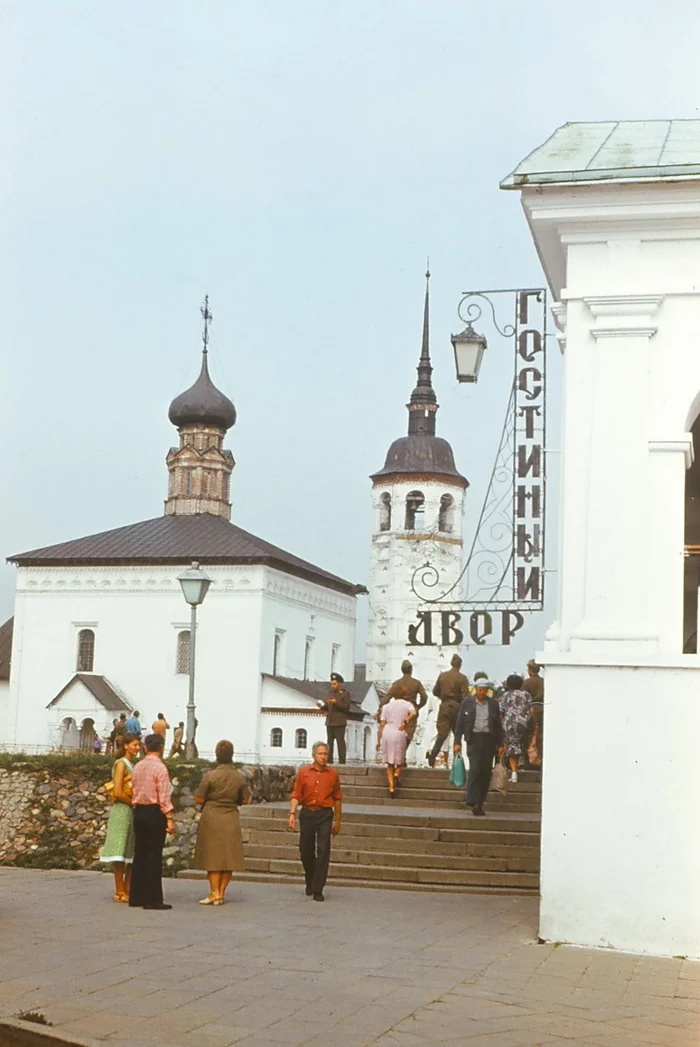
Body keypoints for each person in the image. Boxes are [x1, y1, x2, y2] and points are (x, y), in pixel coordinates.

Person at [193, 739, 251, 905]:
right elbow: (245, 799)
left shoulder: (209, 776)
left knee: (212, 856)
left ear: (217, 755)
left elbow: (199, 797)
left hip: (211, 816)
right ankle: (221, 893)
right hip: (231, 816)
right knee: (228, 856)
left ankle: (213, 891)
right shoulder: (239, 777)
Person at [287, 742, 342, 901]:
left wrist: (338, 821)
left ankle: (318, 887)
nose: (323, 757)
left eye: (325, 754)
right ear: (313, 755)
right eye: (320, 754)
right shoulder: (304, 772)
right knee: (306, 849)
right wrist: (292, 813)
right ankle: (310, 878)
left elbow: (337, 798)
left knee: (324, 850)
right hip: (307, 813)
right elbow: (296, 794)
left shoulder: (332, 774)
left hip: (325, 814)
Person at [128, 733, 176, 910]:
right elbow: (163, 795)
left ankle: (136, 896)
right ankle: (153, 899)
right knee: (154, 855)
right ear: (162, 748)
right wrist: (169, 818)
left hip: (139, 810)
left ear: (145, 748)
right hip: (155, 811)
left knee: (140, 852)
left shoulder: (138, 767)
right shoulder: (160, 768)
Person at [454, 680, 504, 816]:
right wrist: (457, 742)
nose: (482, 693)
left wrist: (500, 744)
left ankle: (479, 803)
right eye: (480, 690)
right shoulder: (467, 702)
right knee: (475, 768)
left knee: (485, 772)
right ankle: (471, 798)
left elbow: (498, 726)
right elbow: (459, 723)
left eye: (484, 690)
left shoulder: (493, 704)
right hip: (473, 739)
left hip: (489, 740)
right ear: (476, 689)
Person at [100, 733, 140, 902]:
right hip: (122, 810)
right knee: (120, 852)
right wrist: (133, 802)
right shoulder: (121, 764)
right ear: (125, 746)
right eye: (134, 745)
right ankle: (120, 890)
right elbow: (117, 791)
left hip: (131, 810)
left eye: (139, 745)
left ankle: (128, 888)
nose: (137, 748)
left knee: (130, 852)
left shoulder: (133, 764)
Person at [426, 653, 470, 767]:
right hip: (457, 707)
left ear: (451, 664)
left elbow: (435, 691)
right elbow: (465, 696)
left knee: (442, 734)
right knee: (457, 735)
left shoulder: (442, 676)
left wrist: (444, 696)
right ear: (460, 665)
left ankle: (433, 754)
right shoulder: (462, 678)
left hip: (444, 706)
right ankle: (457, 761)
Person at [380, 660, 427, 756]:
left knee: (398, 732)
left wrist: (380, 708)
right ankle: (402, 754)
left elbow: (387, 696)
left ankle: (399, 755)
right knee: (408, 734)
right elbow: (424, 696)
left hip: (397, 710)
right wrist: (418, 706)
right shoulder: (416, 683)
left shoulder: (397, 683)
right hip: (411, 711)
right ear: (411, 670)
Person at [499, 673, 536, 784]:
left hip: (509, 723)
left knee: (512, 746)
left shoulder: (505, 696)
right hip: (523, 723)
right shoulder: (526, 695)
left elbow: (501, 713)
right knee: (523, 744)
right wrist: (535, 722)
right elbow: (532, 710)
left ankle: (514, 773)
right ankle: (523, 764)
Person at [376, 696, 416, 796]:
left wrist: (378, 740)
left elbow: (382, 724)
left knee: (390, 763)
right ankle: (397, 773)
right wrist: (406, 721)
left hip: (387, 732)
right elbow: (414, 713)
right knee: (400, 760)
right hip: (399, 732)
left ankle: (391, 788)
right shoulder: (407, 704)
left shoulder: (386, 706)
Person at [317, 673, 351, 764]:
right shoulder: (330, 693)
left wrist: (336, 702)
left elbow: (346, 707)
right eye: (331, 684)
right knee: (329, 742)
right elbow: (328, 707)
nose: (332, 686)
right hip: (330, 721)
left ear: (339, 683)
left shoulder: (345, 693)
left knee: (340, 742)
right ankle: (329, 760)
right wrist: (322, 706)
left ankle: (342, 761)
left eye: (334, 684)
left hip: (339, 721)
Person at [523, 659, 544, 763]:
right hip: (543, 709)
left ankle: (528, 761)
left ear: (530, 670)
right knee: (540, 735)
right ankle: (539, 759)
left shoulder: (526, 682)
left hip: (530, 710)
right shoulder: (544, 681)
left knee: (528, 736)